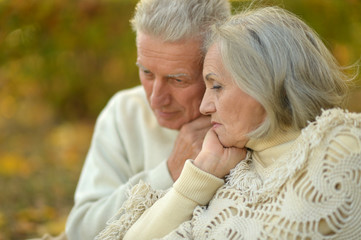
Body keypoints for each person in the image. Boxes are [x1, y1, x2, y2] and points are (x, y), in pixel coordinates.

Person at [96, 6, 361, 240]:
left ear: (266, 85)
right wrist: (199, 172)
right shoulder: (232, 168)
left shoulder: (339, 147)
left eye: (217, 86)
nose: (204, 106)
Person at [64, 0, 231, 239]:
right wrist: (168, 172)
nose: (155, 99)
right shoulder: (124, 112)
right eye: (147, 73)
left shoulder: (248, 118)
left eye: (177, 80)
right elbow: (81, 230)